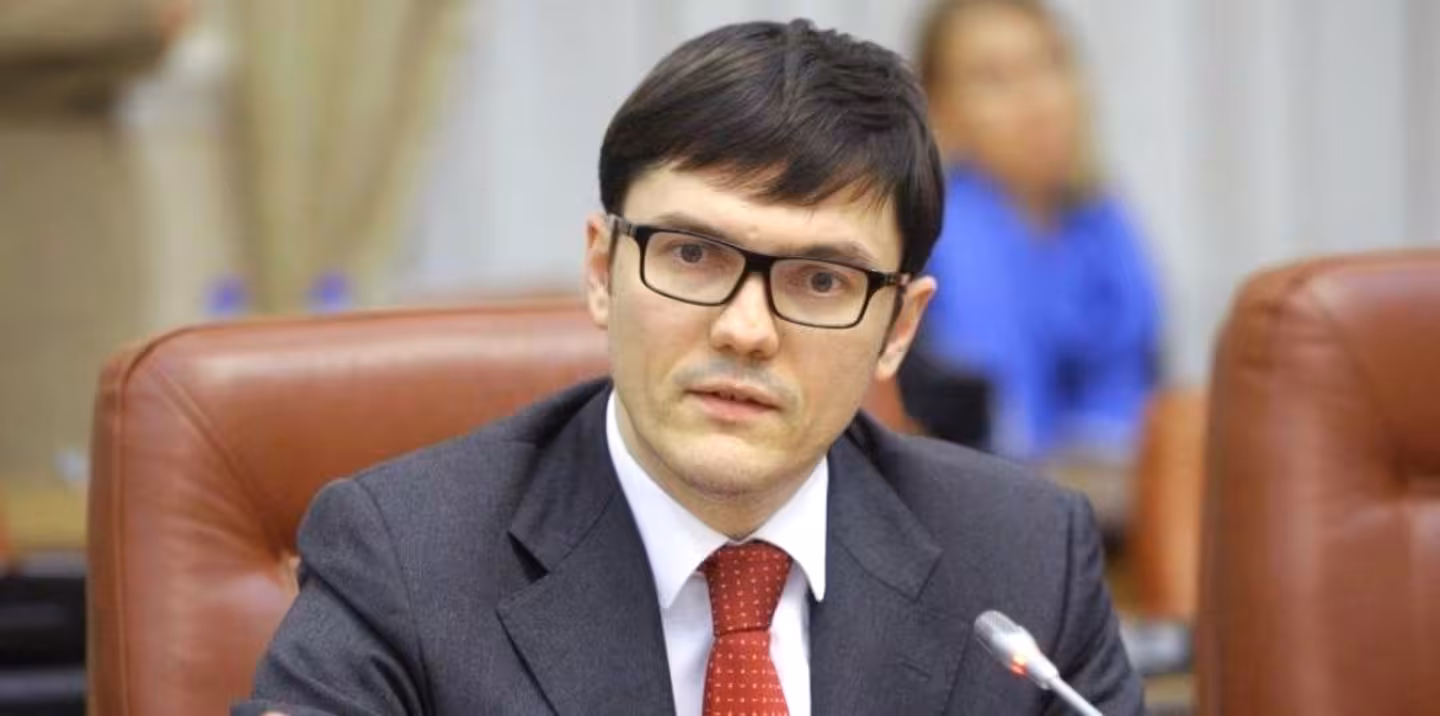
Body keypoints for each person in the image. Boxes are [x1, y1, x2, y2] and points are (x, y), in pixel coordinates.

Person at [236, 18, 1142, 716]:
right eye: (693, 256)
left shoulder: (1023, 560)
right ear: (603, 272)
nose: (746, 331)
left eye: (821, 280)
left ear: (899, 329)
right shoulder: (403, 558)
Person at [914, 0, 1162, 461]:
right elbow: (1000, 429)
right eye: (995, 79)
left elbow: (1134, 383)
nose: (1036, 101)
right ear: (940, 110)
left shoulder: (1103, 220)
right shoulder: (945, 226)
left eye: (1049, 65)